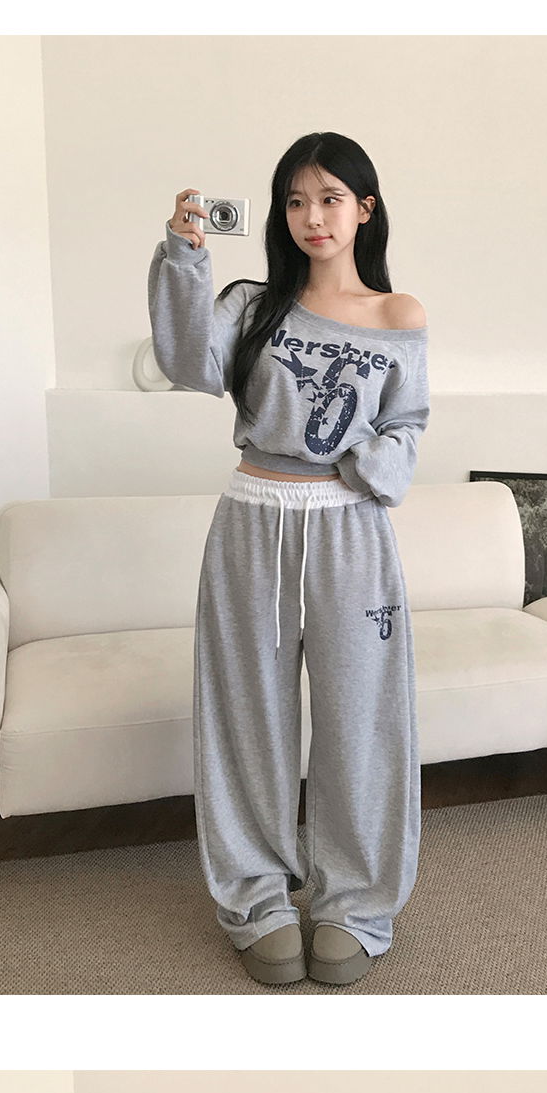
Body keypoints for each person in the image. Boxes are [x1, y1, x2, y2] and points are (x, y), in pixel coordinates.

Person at [146, 127, 427, 975]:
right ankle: (256, 896)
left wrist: (357, 457)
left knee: (360, 718)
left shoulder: (399, 315)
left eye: (331, 198)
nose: (313, 216)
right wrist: (185, 256)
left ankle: (356, 901)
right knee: (247, 716)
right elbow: (188, 363)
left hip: (350, 529)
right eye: (296, 200)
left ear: (364, 208)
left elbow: (406, 427)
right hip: (252, 521)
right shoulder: (249, 304)